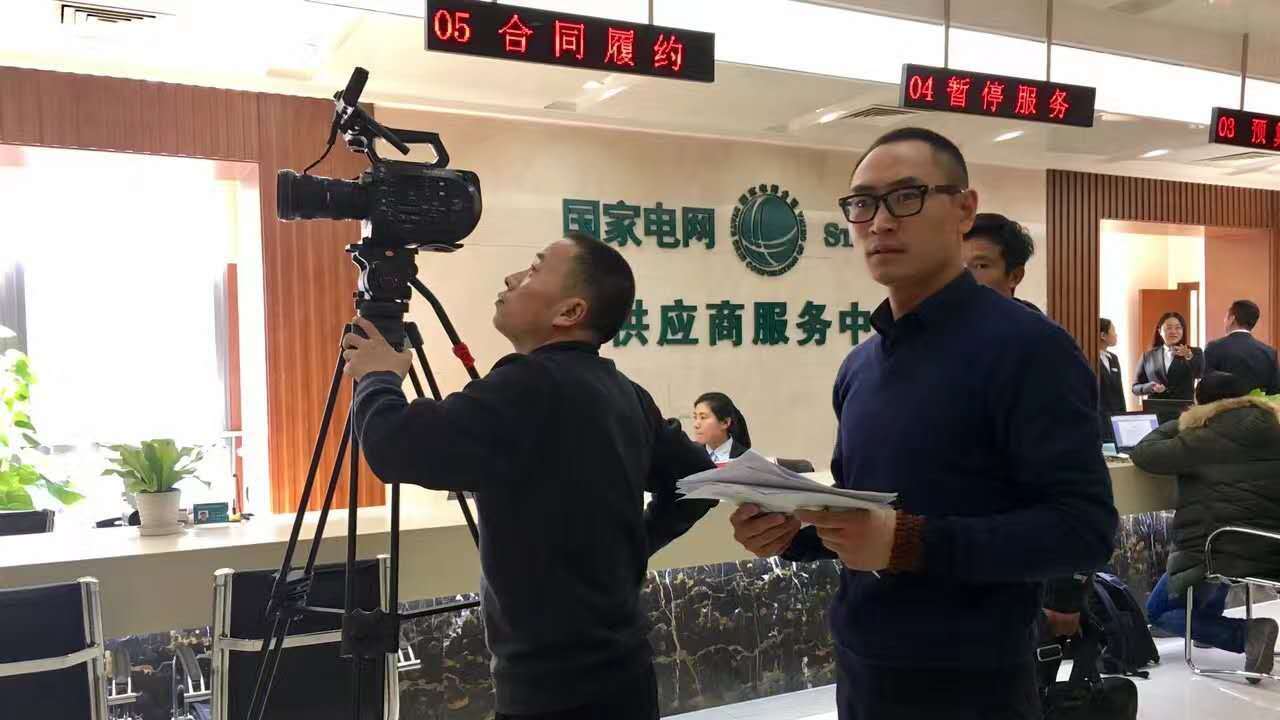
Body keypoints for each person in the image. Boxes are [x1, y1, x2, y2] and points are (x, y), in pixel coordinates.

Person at [729, 127, 1117, 719]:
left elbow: (1084, 529)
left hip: (973, 681)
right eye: (863, 203)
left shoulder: (1030, 348)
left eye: (906, 197)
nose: (880, 222)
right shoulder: (861, 366)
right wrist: (791, 534)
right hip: (863, 665)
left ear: (964, 209)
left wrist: (909, 542)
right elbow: (869, 516)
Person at [341, 231, 717, 720]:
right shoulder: (625, 393)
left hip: (550, 693)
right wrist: (635, 547)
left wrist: (376, 376)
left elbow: (392, 446)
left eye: (535, 269)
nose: (512, 277)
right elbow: (699, 480)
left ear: (570, 311)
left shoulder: (528, 383)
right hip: (627, 679)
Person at [1130, 371, 1280, 683]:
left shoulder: (1203, 437)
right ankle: (1213, 628)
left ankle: (1246, 635)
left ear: (1202, 403)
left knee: (1158, 612)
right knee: (1215, 556)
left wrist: (1186, 421)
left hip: (1219, 548)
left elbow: (1144, 453)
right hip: (1268, 548)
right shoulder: (1273, 427)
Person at [961, 211, 1040, 313]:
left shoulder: (1032, 323)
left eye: (980, 266)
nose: (963, 276)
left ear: (1015, 276)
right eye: (959, 265)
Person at [1204, 299, 1280, 395]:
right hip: (1258, 404)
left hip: (1224, 404)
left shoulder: (1214, 348)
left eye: (1226, 317)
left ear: (1232, 319)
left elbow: (1206, 388)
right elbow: (1275, 391)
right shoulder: (1270, 352)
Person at [1133, 311, 1203, 402]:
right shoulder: (1148, 356)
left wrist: (1188, 356)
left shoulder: (1195, 352)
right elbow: (1135, 388)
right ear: (1160, 331)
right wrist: (1151, 387)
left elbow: (1200, 374)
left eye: (1178, 328)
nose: (1173, 331)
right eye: (1169, 328)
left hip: (1184, 407)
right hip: (1156, 406)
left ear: (1183, 330)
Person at [691, 392, 751, 463]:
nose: (696, 425)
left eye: (703, 417)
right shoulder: (689, 455)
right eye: (695, 417)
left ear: (725, 422)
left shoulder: (746, 459)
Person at [1098, 318, 1127, 439]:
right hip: (1098, 418)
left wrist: (1123, 417)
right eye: (1113, 331)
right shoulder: (1089, 356)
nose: (1116, 335)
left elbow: (1119, 391)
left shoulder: (1113, 358)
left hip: (1115, 417)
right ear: (1103, 335)